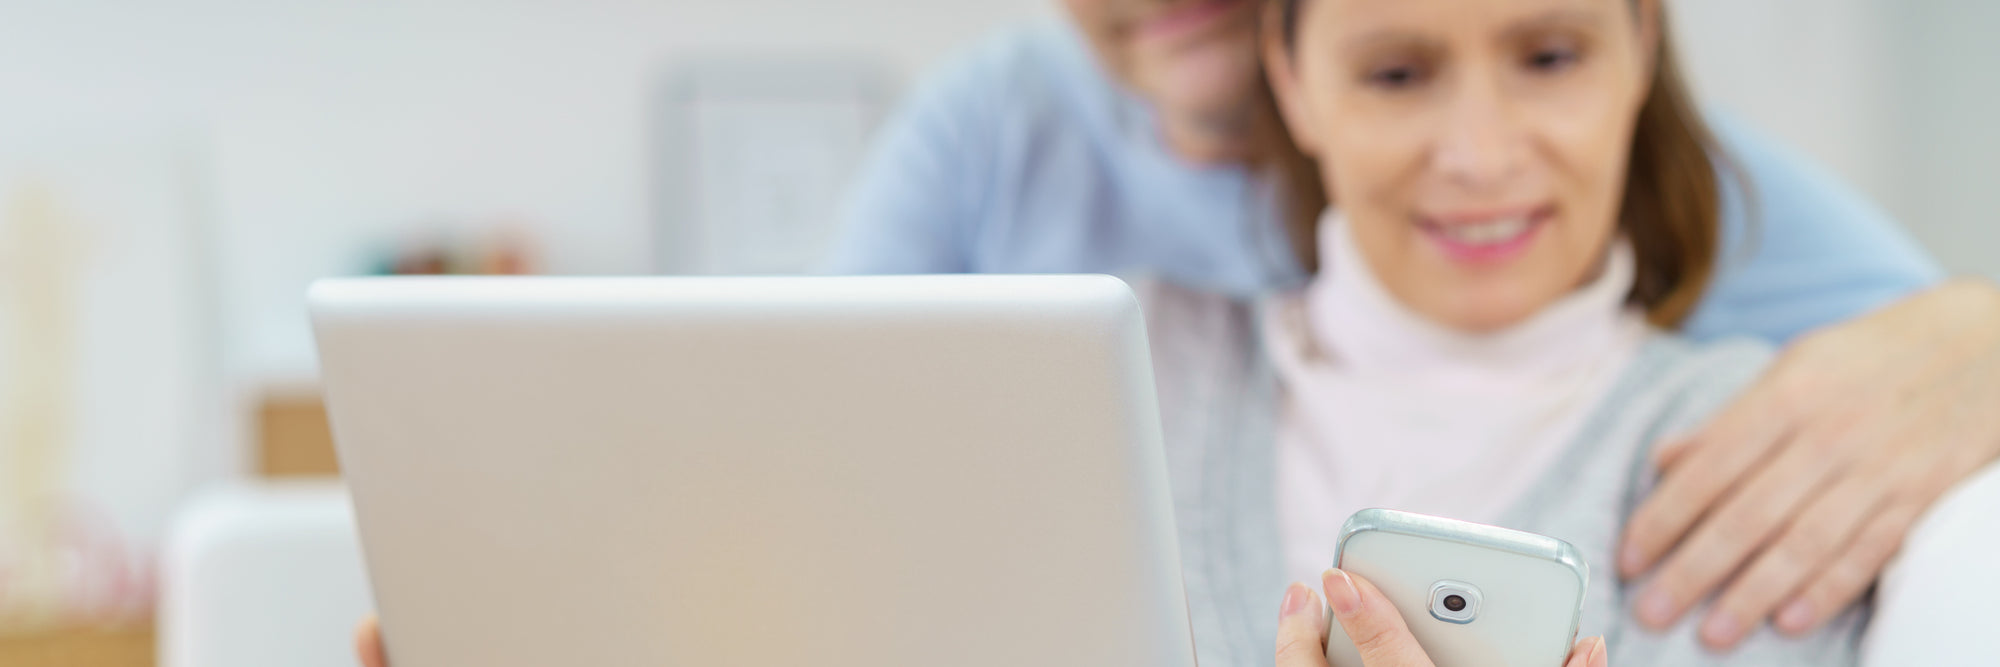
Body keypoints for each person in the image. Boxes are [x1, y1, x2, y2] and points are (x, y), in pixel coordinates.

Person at [825, 0, 2000, 650]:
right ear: (1289, 80)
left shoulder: (1766, 452)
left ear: (1641, 47)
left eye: (1547, 55)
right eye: (1395, 74)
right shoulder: (1095, 383)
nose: (1482, 157)